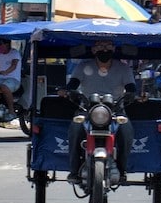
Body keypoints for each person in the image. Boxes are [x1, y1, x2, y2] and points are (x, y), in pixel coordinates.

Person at [59, 38, 137, 186]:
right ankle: (74, 170)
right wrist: (67, 91)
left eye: (108, 46)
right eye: (100, 46)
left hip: (115, 110)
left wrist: (133, 95)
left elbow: (132, 88)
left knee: (127, 133)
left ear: (114, 49)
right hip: (87, 109)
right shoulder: (83, 66)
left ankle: (121, 169)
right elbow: (72, 85)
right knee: (75, 130)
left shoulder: (123, 68)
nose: (105, 50)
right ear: (94, 50)